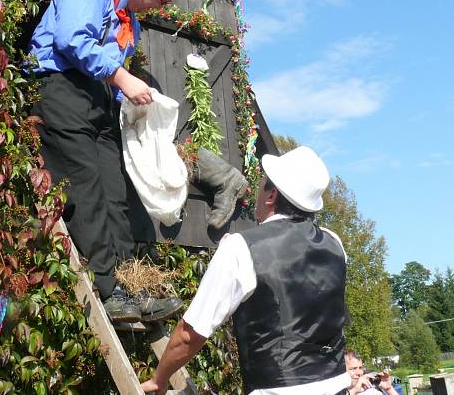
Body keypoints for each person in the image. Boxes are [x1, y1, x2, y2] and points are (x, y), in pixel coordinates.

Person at [27, 0, 186, 324]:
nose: (158, 8)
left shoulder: (131, 22)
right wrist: (123, 78)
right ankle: (107, 285)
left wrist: (134, 105)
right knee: (85, 185)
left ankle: (131, 284)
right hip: (59, 86)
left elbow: (113, 74)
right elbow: (71, 40)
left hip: (96, 98)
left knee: (115, 191)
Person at [141, 146, 351, 395]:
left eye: (262, 183)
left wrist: (160, 377)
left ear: (271, 195)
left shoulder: (242, 248)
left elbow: (192, 332)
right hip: (337, 384)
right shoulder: (334, 243)